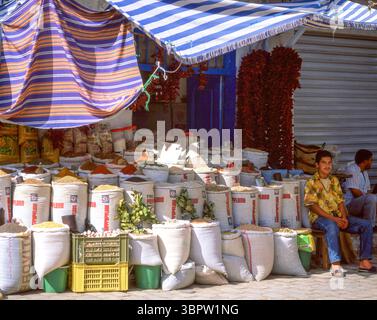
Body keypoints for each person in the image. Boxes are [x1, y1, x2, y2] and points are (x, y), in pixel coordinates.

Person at [304, 150, 375, 277]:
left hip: (337, 217)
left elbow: (341, 202)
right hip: (320, 219)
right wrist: (334, 219)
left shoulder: (334, 180)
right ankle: (336, 265)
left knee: (366, 224)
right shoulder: (311, 182)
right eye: (323, 163)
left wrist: (344, 217)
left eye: (329, 163)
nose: (327, 166)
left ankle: (364, 261)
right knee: (331, 225)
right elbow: (313, 207)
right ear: (317, 165)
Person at [343, 149, 377, 229]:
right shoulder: (352, 170)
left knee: (373, 198)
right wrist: (371, 197)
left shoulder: (364, 172)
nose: (372, 162)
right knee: (372, 198)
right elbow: (355, 192)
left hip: (359, 203)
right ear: (365, 161)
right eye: (371, 160)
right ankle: (370, 226)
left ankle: (372, 223)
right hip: (349, 205)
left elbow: (367, 191)